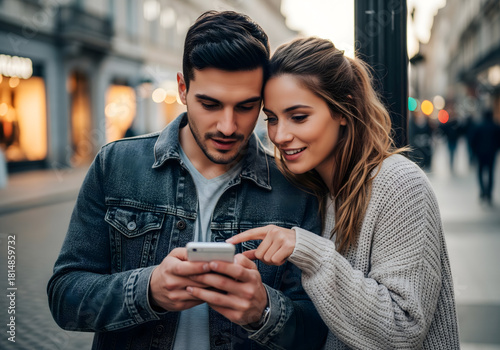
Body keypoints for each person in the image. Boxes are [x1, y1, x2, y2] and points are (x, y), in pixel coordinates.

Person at [47, 12, 327, 350]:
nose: (227, 125)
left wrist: (265, 311)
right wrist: (148, 290)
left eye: (246, 106)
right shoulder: (116, 165)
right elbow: (64, 297)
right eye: (210, 104)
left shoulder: (297, 188)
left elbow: (317, 331)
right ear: (182, 88)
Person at [228, 37, 460, 349]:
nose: (280, 135)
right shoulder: (309, 190)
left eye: (298, 116)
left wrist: (309, 252)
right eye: (271, 119)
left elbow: (402, 329)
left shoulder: (400, 184)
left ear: (343, 109)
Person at [471, 109, 500, 205]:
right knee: (491, 173)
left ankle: (483, 191)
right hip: (491, 154)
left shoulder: (479, 126)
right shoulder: (495, 126)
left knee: (480, 172)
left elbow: (473, 140)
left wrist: (475, 151)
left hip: (480, 154)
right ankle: (489, 193)